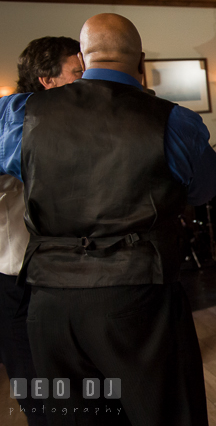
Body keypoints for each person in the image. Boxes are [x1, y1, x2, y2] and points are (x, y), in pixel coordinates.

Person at [0, 13, 216, 425]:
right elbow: (203, 189)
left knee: (75, 418)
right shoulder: (172, 121)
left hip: (50, 302)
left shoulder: (23, 113)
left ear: (84, 60)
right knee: (164, 414)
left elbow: (17, 167)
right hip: (137, 294)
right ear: (141, 61)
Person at [0, 35, 81, 426]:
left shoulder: (61, 119)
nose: (87, 82)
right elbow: (29, 167)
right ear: (47, 80)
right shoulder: (13, 114)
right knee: (36, 385)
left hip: (59, 272)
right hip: (15, 276)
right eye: (78, 73)